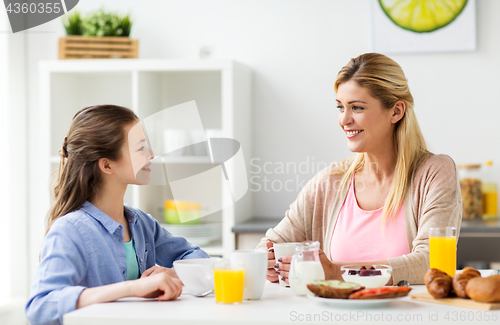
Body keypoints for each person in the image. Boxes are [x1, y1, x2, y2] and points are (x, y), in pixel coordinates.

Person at [257, 53, 462, 286]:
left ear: (396, 111)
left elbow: (432, 262)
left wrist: (336, 272)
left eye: (357, 108)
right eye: (340, 107)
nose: (344, 119)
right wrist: (267, 261)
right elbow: (272, 243)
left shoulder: (434, 172)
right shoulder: (330, 181)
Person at [25, 105, 209, 325]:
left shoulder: (142, 223)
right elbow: (40, 307)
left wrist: (174, 272)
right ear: (107, 164)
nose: (151, 154)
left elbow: (197, 257)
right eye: (140, 148)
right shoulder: (70, 231)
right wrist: (132, 288)